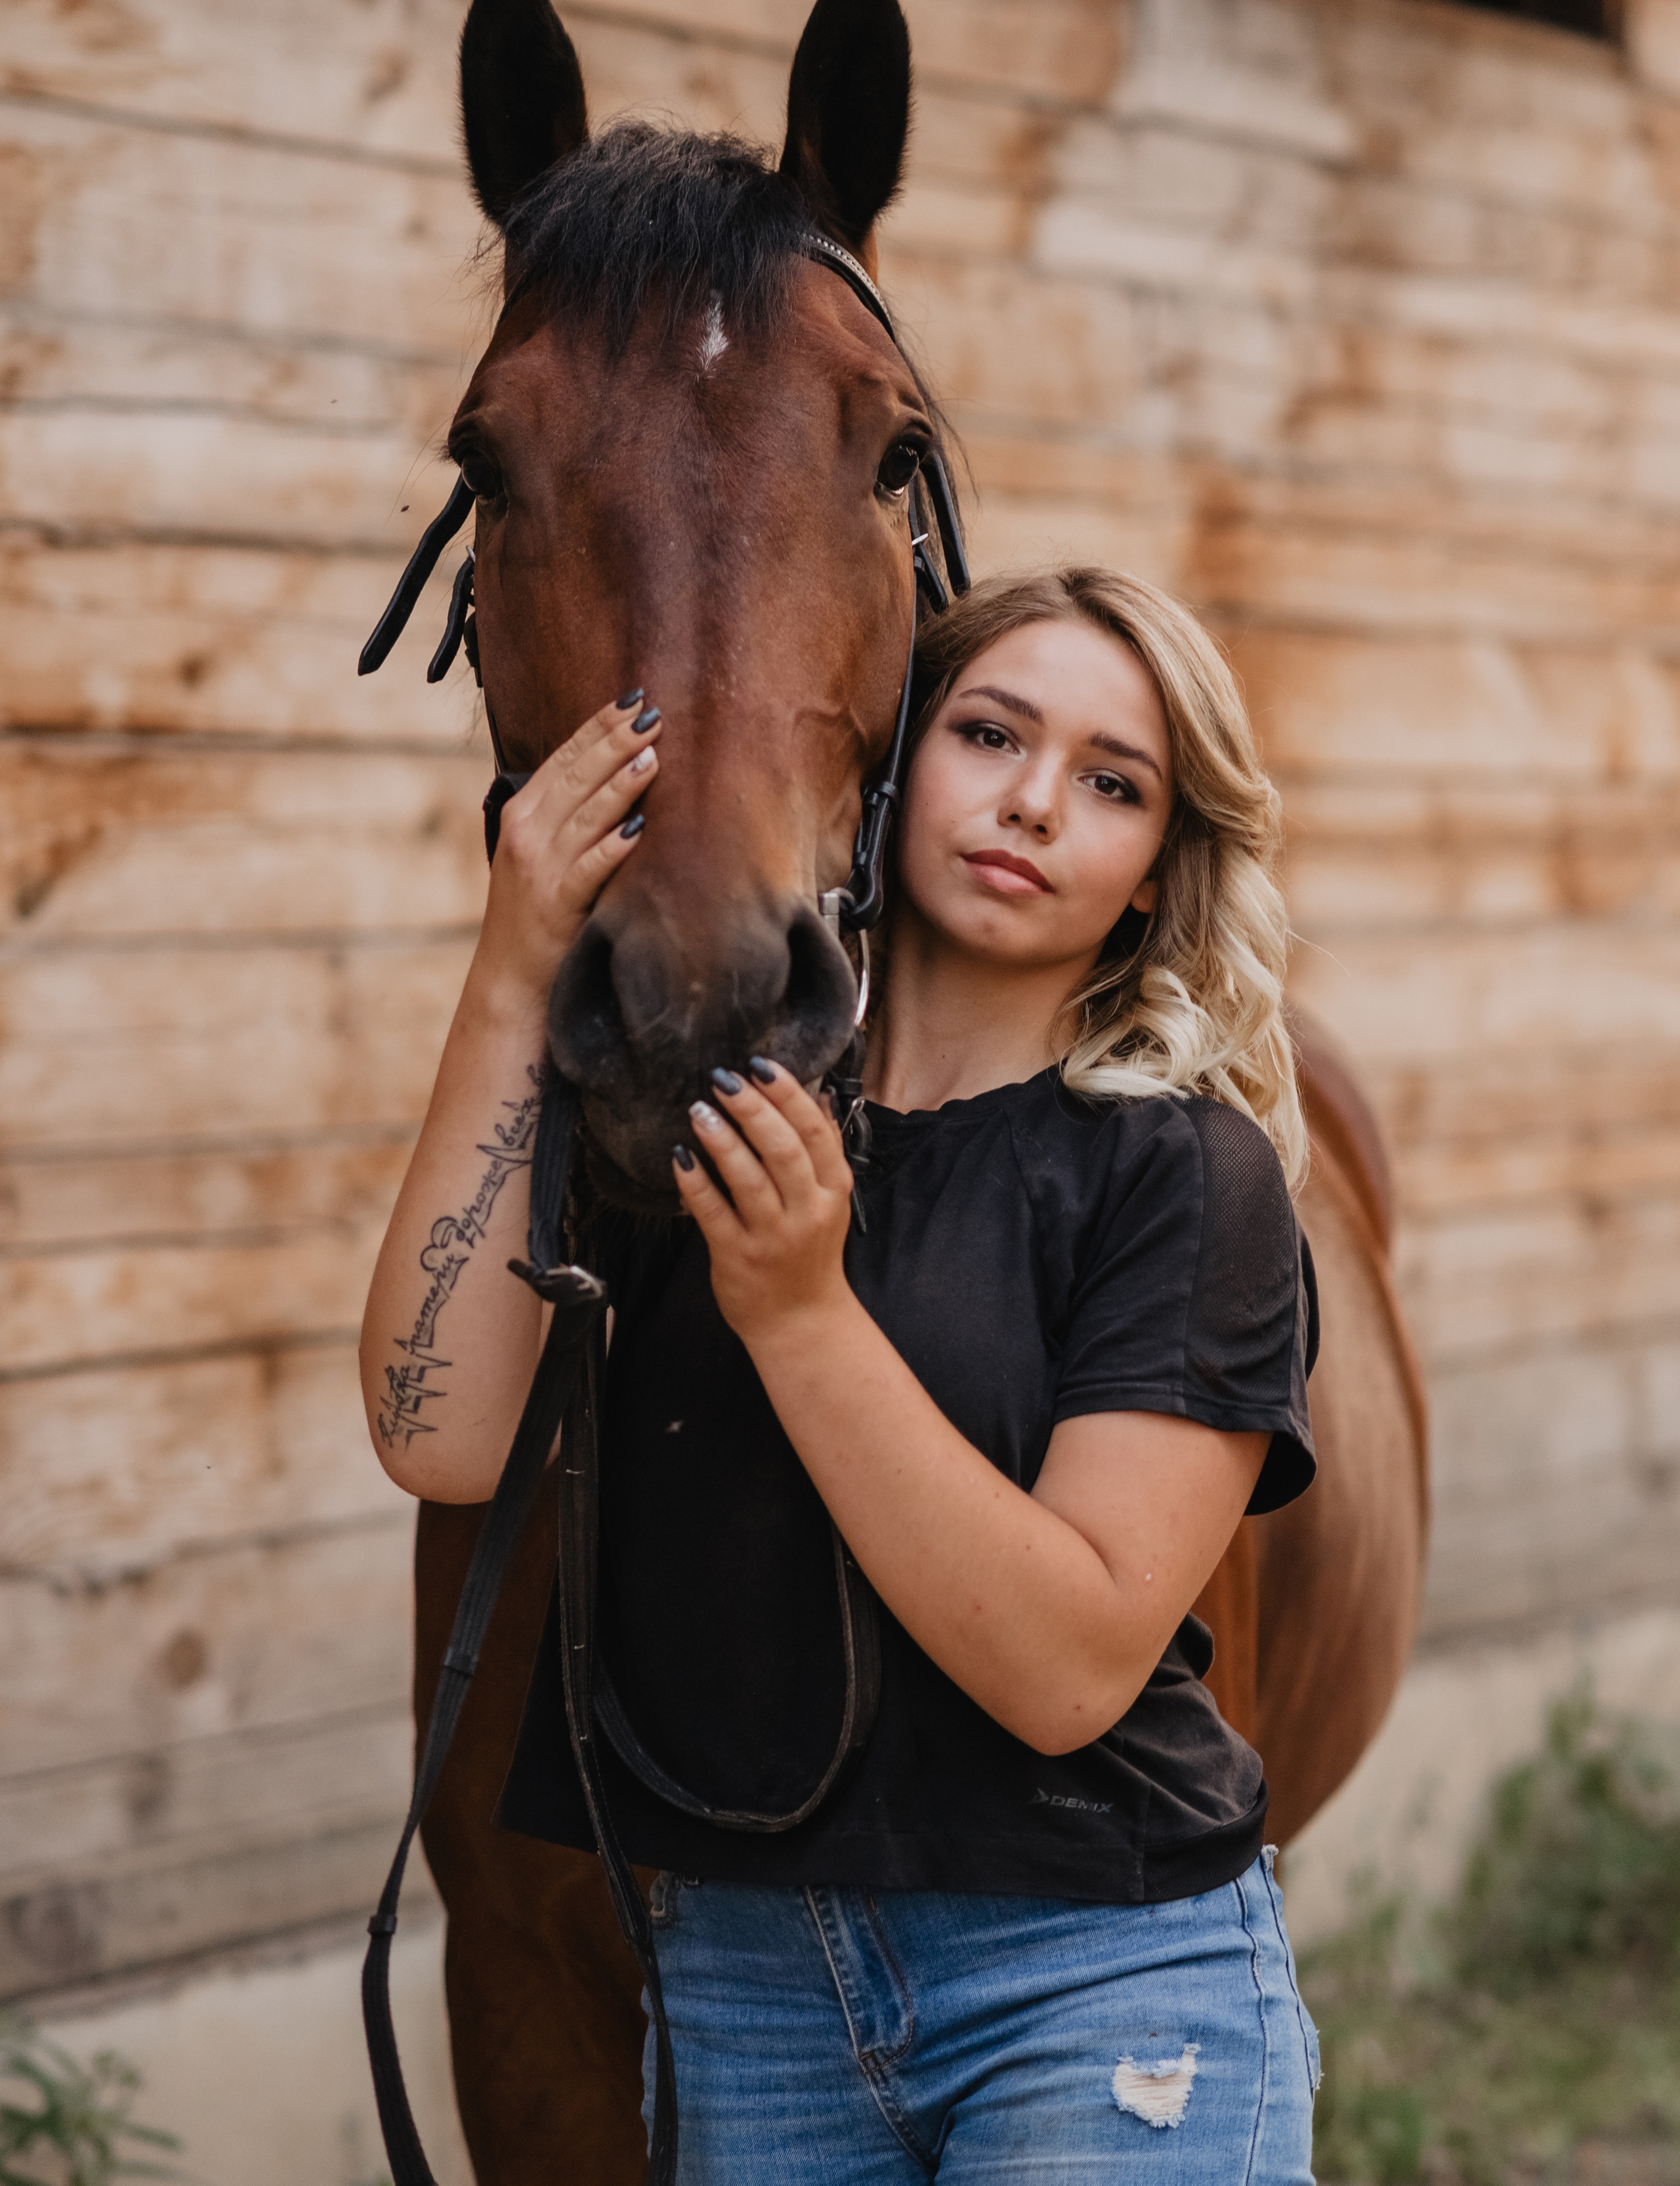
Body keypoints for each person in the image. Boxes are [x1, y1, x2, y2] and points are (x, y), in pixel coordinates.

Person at [360, 564, 1322, 2184]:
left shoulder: (1180, 1177)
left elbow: (1067, 1669)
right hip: (745, 1990)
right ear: (888, 773)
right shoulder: (689, 1120)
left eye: (1108, 784)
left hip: (1089, 1973)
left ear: (1157, 871)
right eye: (987, 733)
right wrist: (513, 966)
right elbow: (432, 1434)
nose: (1029, 803)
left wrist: (799, 1311)